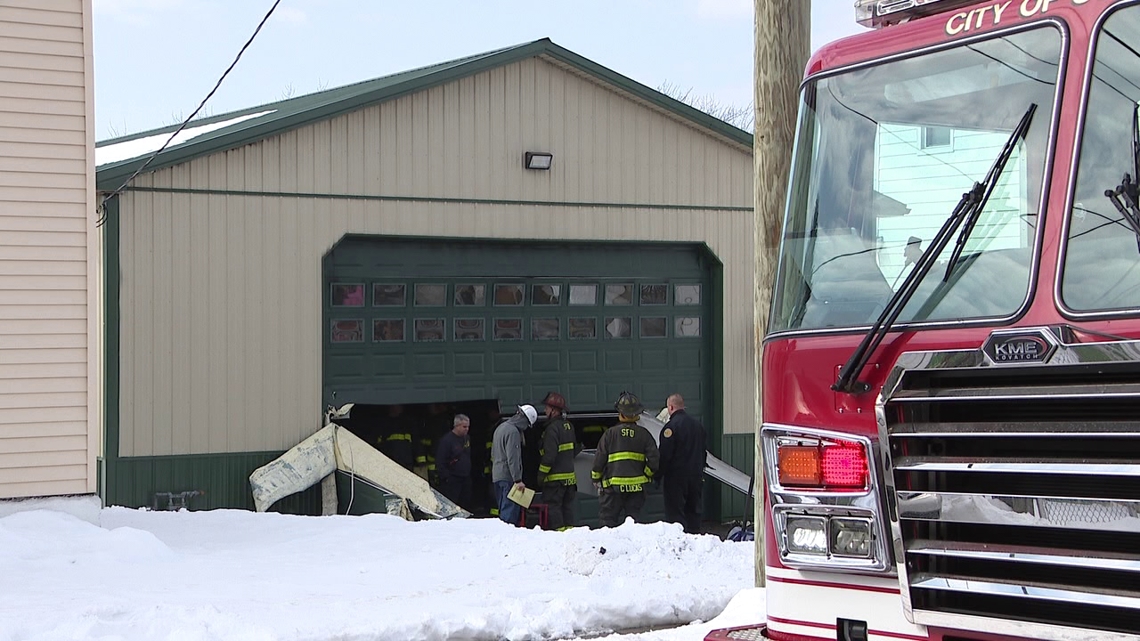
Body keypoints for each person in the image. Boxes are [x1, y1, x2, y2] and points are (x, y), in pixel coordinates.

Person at [591, 391, 660, 528]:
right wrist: (646, 474)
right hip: (636, 489)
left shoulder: (610, 434)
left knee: (608, 522)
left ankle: (609, 548)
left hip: (612, 489)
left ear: (620, 413)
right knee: (633, 524)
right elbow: (654, 460)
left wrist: (595, 478)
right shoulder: (644, 435)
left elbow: (599, 459)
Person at [658, 394, 707, 534]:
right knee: (693, 512)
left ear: (671, 407)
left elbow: (665, 455)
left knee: (675, 514)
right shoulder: (698, 426)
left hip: (676, 479)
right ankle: (695, 539)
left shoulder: (670, 428)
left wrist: (657, 475)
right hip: (696, 476)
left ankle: (679, 541)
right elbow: (703, 452)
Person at [537, 391, 579, 531]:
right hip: (570, 480)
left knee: (553, 507)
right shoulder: (569, 426)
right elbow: (574, 450)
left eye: (547, 408)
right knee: (567, 508)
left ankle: (559, 536)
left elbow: (549, 456)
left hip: (555, 481)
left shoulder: (552, 429)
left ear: (554, 411)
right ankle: (569, 535)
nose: (545, 410)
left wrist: (541, 475)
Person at [491, 404, 538, 525]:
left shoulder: (500, 428)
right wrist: (517, 480)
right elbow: (513, 458)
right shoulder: (513, 432)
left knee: (502, 511)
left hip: (497, 476)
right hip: (509, 478)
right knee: (510, 515)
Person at [436, 414, 472, 510]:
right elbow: (440, 461)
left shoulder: (467, 438)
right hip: (452, 480)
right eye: (464, 427)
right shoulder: (446, 441)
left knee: (466, 503)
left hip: (465, 478)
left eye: (468, 427)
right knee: (452, 504)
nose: (467, 429)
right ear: (456, 426)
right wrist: (447, 477)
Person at [376, 404, 415, 471]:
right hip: (390, 462)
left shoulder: (408, 423)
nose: (397, 408)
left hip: (406, 463)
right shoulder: (384, 423)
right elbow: (379, 444)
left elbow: (416, 442)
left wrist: (421, 462)